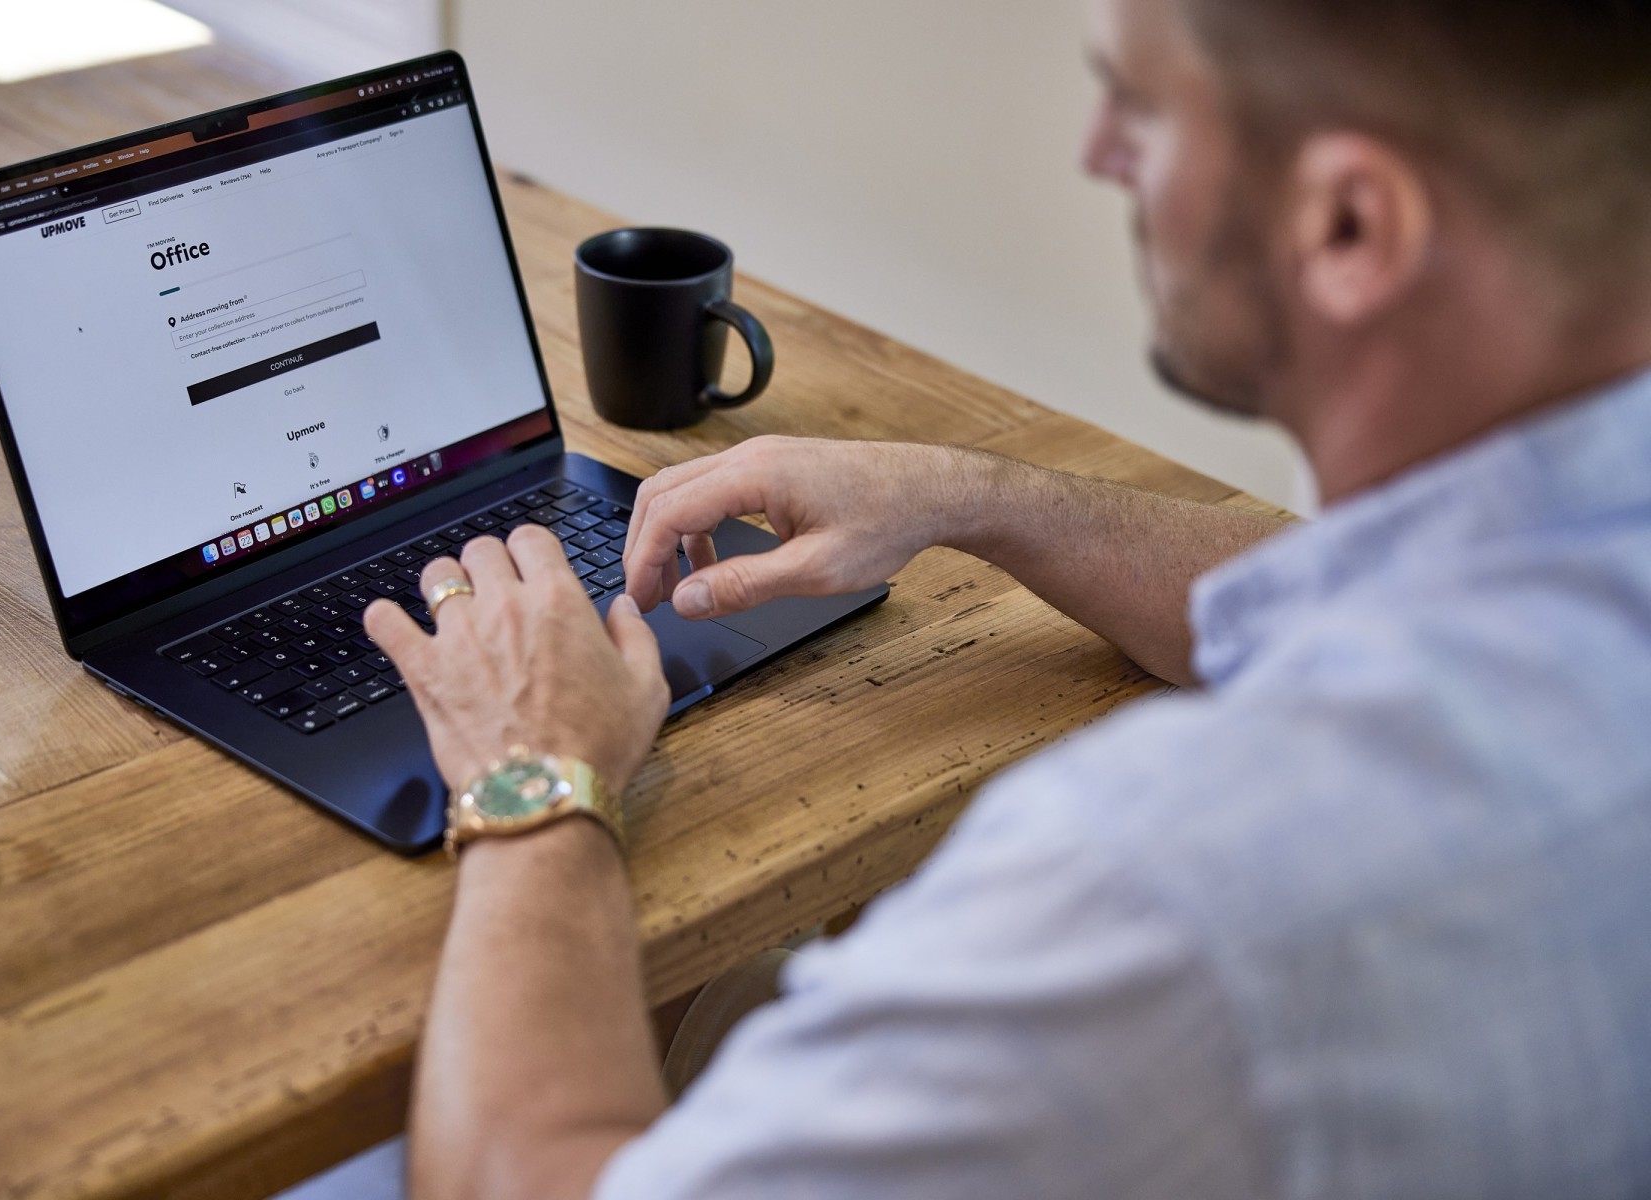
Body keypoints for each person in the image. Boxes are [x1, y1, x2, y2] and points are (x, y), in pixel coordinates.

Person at [363, 0, 1651, 1195]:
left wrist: (532, 778)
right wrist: (975, 496)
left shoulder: (1159, 894)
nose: (1101, 153)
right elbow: (1330, 596)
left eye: (1139, 106)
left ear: (1349, 228)